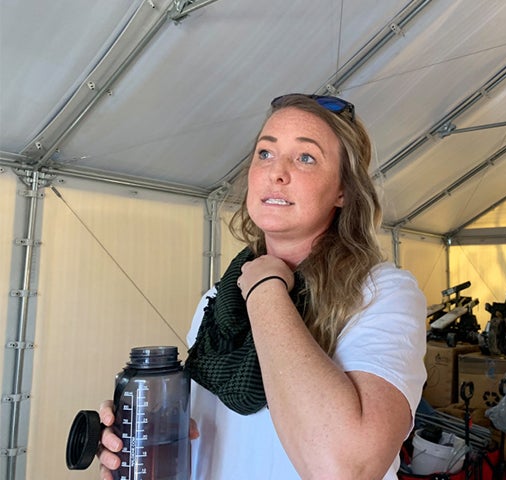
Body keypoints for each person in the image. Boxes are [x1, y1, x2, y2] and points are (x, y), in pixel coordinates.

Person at [97, 93, 427, 479]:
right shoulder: (218, 304)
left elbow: (344, 468)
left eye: (305, 158)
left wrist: (267, 288)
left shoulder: (381, 293)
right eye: (265, 154)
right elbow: (215, 440)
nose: (277, 172)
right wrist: (139, 440)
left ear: (344, 191)